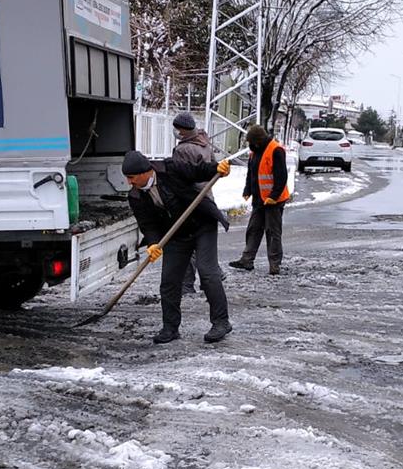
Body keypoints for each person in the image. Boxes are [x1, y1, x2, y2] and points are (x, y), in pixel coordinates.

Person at [122, 149, 232, 344]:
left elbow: (198, 171)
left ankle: (221, 322)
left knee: (207, 273)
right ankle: (170, 328)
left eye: (131, 177)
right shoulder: (135, 196)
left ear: (144, 172)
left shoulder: (170, 169)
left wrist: (218, 168)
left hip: (201, 226)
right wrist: (153, 242)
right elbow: (147, 223)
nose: (129, 182)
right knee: (169, 281)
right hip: (175, 235)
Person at [169, 111, 229, 296]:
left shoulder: (183, 150)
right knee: (201, 242)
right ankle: (214, 273)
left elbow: (181, 176)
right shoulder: (204, 141)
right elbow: (212, 168)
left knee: (188, 241)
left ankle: (187, 285)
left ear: (184, 131)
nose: (175, 132)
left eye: (177, 129)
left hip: (191, 199)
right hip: (206, 198)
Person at [228, 124, 289, 276]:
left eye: (251, 143)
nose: (250, 146)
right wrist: (247, 189)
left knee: (272, 232)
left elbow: (281, 178)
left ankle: (274, 265)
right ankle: (246, 260)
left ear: (258, 141)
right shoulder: (254, 153)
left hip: (274, 201)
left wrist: (273, 197)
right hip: (259, 199)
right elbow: (252, 174)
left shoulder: (276, 150)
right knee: (253, 229)